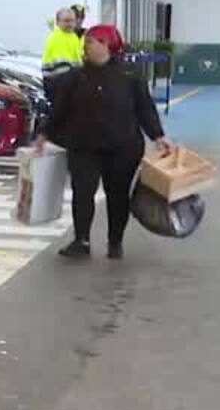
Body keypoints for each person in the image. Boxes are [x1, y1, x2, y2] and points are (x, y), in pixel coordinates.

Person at [36, 24, 176, 260]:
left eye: (91, 41)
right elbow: (59, 110)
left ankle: (115, 242)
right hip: (84, 146)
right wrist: (43, 134)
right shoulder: (75, 76)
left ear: (107, 45)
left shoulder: (130, 76)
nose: (86, 45)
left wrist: (158, 136)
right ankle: (81, 240)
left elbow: (145, 109)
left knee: (118, 194)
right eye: (86, 41)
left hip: (123, 147)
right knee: (83, 192)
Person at [41, 4, 85, 80]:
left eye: (72, 21)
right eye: (66, 21)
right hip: (58, 79)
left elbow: (77, 60)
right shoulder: (57, 37)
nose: (70, 24)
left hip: (68, 80)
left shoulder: (72, 36)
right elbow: (62, 67)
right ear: (58, 22)